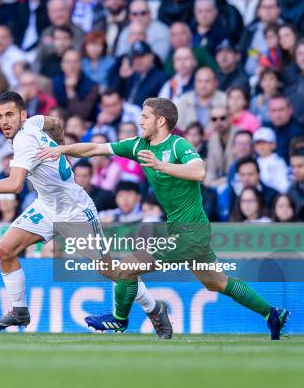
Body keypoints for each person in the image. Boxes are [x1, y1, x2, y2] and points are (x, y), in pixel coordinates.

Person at [39, 97, 289, 340]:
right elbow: (95, 148)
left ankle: (119, 319)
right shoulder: (139, 146)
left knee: (126, 268)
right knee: (216, 282)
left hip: (190, 233)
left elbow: (199, 170)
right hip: (185, 231)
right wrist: (62, 149)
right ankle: (271, 313)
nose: (140, 121)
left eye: (145, 116)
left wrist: (161, 166)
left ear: (160, 121)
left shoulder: (178, 145)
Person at [0, 91, 170, 337]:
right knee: (5, 248)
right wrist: (60, 149)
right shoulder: (33, 122)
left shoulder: (24, 140)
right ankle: (19, 311)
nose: (4, 121)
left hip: (75, 211)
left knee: (110, 270)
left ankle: (155, 309)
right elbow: (56, 123)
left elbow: (15, 185)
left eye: (9, 115)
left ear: (22, 114)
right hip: (47, 206)